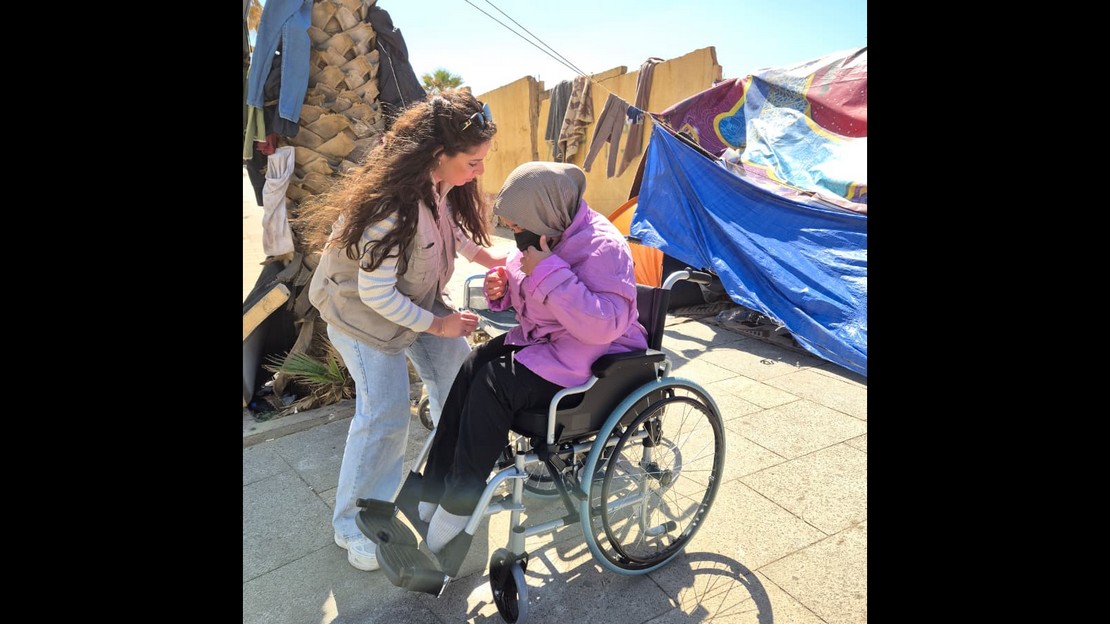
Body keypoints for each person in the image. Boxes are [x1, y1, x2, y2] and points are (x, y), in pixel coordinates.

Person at [297, 89, 511, 572]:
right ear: (440, 155)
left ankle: (447, 490)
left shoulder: (435, 185)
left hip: (413, 304)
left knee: (460, 380)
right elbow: (376, 296)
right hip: (362, 320)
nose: (479, 171)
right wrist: (439, 324)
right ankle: (352, 525)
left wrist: (488, 256)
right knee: (385, 416)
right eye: (474, 161)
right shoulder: (387, 207)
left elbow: (446, 227)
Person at [417, 161, 649, 553]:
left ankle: (460, 503)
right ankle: (437, 480)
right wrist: (503, 286)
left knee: (495, 387)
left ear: (544, 214)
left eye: (518, 225)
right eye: (509, 225)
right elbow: (525, 283)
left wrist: (550, 271)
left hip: (596, 360)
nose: (515, 234)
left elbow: (603, 326)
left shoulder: (604, 248)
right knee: (474, 364)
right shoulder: (547, 232)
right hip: (551, 345)